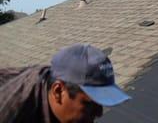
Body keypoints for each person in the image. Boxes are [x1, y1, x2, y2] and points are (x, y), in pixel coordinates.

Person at [0, 43, 131, 123]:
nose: (99, 113)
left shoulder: (57, 79)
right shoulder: (11, 111)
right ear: (58, 91)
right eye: (89, 103)